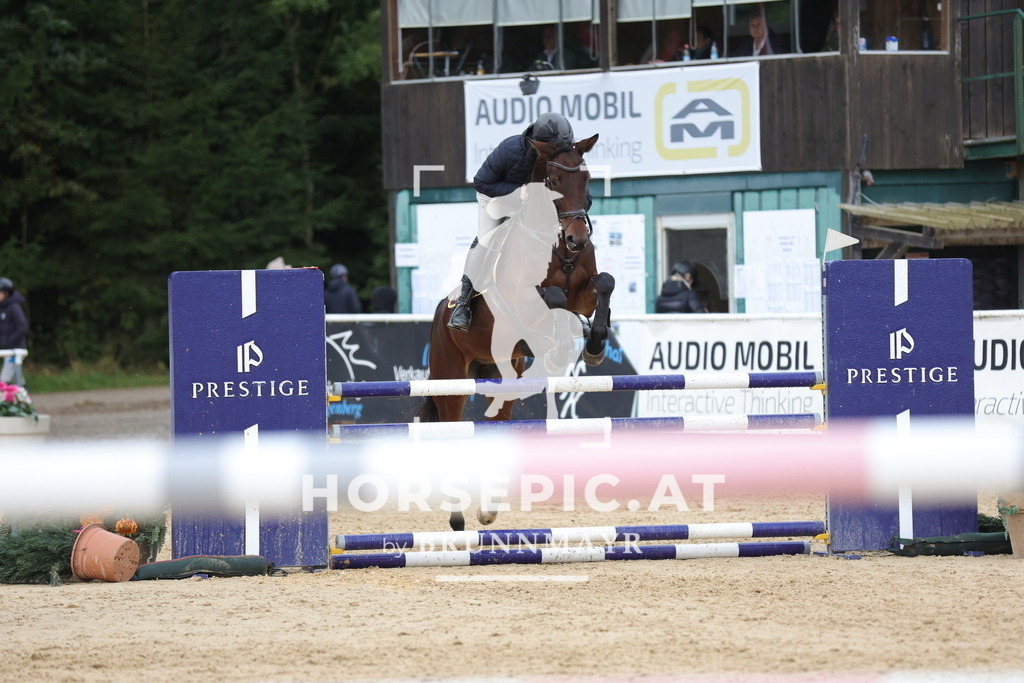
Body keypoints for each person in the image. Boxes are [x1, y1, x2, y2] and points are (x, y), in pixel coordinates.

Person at [448, 112, 590, 332]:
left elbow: (578, 192)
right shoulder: (510, 150)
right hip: (498, 199)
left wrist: (577, 210)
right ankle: (464, 304)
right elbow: (481, 182)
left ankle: (572, 309)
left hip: (534, 206)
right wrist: (517, 193)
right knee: (486, 239)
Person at [0, 277, 29, 386]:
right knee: (19, 380)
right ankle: (25, 401)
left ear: (6, 293)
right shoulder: (2, 308)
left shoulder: (13, 307)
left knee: (3, 381)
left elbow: (22, 327)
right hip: (7, 350)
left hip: (14, 349)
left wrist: (9, 341)